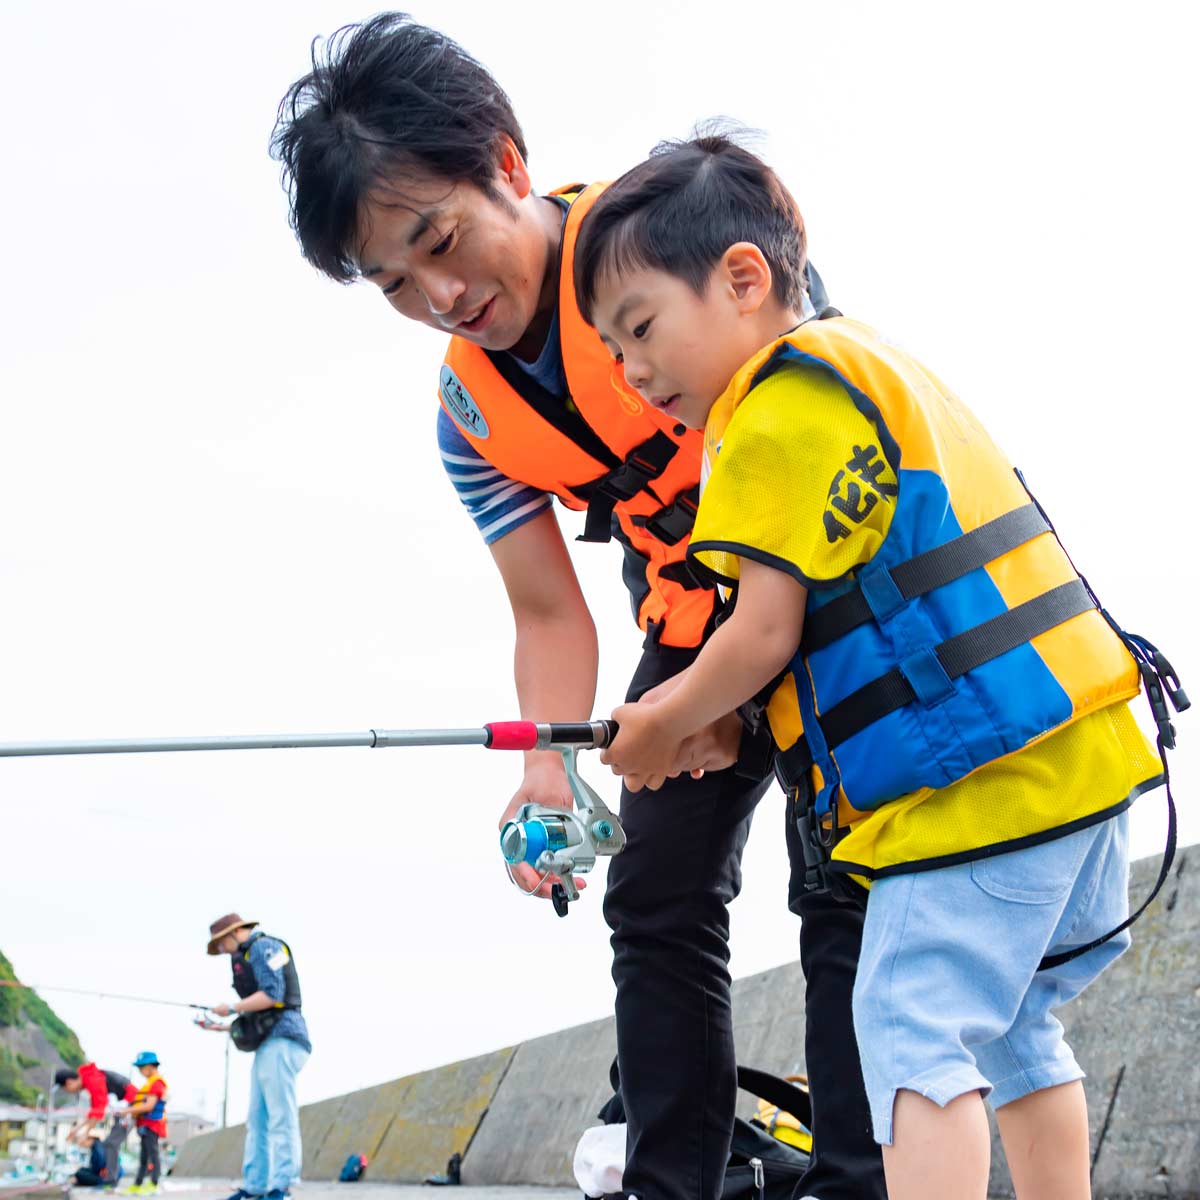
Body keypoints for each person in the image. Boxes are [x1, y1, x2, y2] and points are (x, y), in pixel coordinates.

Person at [270, 15, 884, 1200]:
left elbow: (827, 411)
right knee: (653, 896)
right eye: (393, 283)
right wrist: (546, 771)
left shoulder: (673, 235)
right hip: (687, 619)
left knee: (841, 874)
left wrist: (734, 684)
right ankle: (672, 1183)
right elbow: (549, 613)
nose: (440, 295)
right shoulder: (468, 422)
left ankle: (863, 1180)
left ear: (506, 163)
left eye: (440, 240)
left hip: (829, 586)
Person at [573, 133, 1175, 1200]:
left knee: (908, 1030)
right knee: (1018, 1032)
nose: (632, 372)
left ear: (743, 280)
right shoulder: (867, 367)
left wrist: (661, 719)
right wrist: (719, 720)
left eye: (641, 328)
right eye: (615, 348)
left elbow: (759, 634)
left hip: (978, 790)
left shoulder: (771, 413)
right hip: (1082, 758)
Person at [197, 913, 310, 1200]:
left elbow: (273, 994)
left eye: (220, 943)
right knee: (257, 1118)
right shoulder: (248, 954)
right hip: (267, 1043)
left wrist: (231, 1007)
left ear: (234, 932)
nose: (221, 950)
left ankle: (282, 1185)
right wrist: (222, 1026)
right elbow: (258, 1012)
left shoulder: (264, 947)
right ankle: (256, 1184)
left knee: (281, 1114)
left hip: (284, 1039)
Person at [57, 1062, 136, 1192]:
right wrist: (77, 1129)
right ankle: (111, 1179)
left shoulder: (93, 1080)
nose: (69, 1092)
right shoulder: (89, 1078)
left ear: (69, 1083)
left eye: (66, 1089)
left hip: (131, 1106)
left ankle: (110, 1181)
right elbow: (94, 1111)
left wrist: (85, 1133)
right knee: (111, 1143)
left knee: (111, 1143)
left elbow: (99, 1110)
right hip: (122, 1108)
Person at [125, 1051, 168, 1194]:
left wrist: (127, 1110)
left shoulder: (156, 1084)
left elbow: (149, 1106)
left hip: (152, 1125)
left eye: (141, 1067)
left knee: (153, 1154)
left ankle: (154, 1184)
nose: (140, 1071)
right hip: (144, 1125)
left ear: (150, 1066)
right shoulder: (150, 1083)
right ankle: (137, 1184)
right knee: (144, 1156)